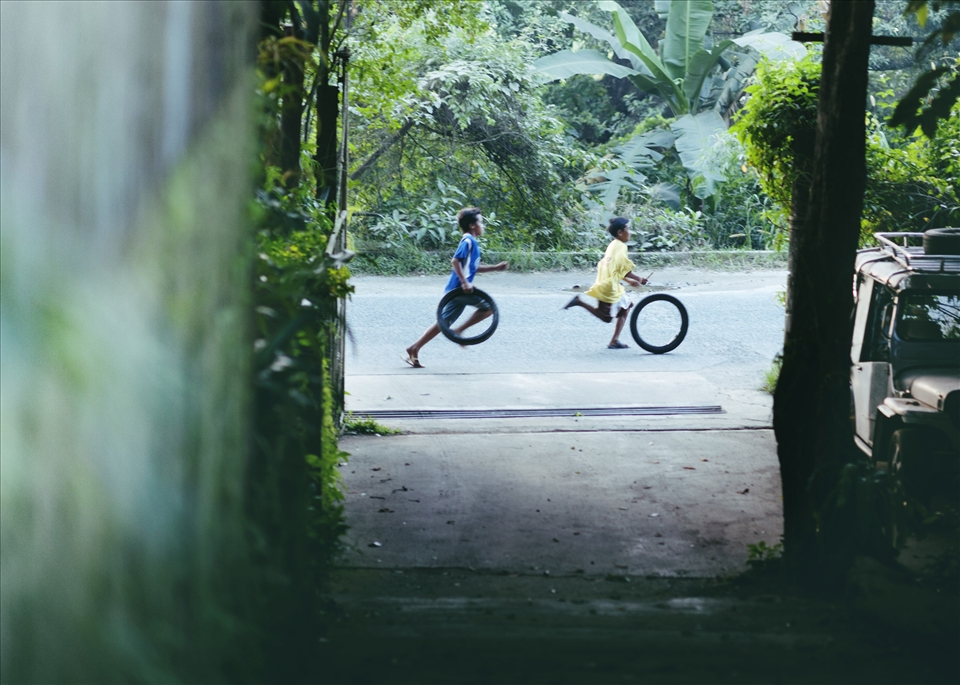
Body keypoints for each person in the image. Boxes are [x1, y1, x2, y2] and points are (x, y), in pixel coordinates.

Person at [403, 207, 508, 368]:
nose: (483, 226)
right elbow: (455, 261)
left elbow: (473, 268)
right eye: (481, 222)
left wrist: (495, 268)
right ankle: (459, 330)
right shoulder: (468, 241)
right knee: (488, 308)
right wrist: (465, 282)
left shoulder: (473, 243)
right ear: (472, 225)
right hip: (461, 289)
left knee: (443, 322)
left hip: (456, 291)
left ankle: (414, 348)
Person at [564, 216, 648, 349]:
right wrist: (639, 279)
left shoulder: (613, 244)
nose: (630, 232)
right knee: (606, 318)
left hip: (605, 282)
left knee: (627, 305)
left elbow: (615, 268)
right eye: (628, 229)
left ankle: (615, 340)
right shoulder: (621, 246)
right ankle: (579, 302)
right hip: (609, 286)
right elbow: (624, 269)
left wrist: (629, 282)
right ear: (620, 232)